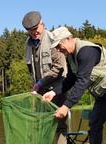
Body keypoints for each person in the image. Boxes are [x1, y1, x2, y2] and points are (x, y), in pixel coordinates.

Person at [42, 26, 106, 144]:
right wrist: (53, 92)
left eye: (59, 45)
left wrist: (66, 106)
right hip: (102, 92)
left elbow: (82, 81)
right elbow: (71, 79)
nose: (58, 50)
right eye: (56, 47)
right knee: (94, 123)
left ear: (68, 39)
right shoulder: (70, 56)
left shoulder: (86, 51)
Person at [22, 11, 68, 144]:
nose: (34, 32)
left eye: (36, 29)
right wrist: (36, 85)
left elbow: (59, 67)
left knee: (59, 125)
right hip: (40, 91)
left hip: (57, 89)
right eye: (30, 31)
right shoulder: (28, 44)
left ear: (42, 24)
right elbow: (30, 68)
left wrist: (41, 82)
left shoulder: (53, 39)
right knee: (40, 125)